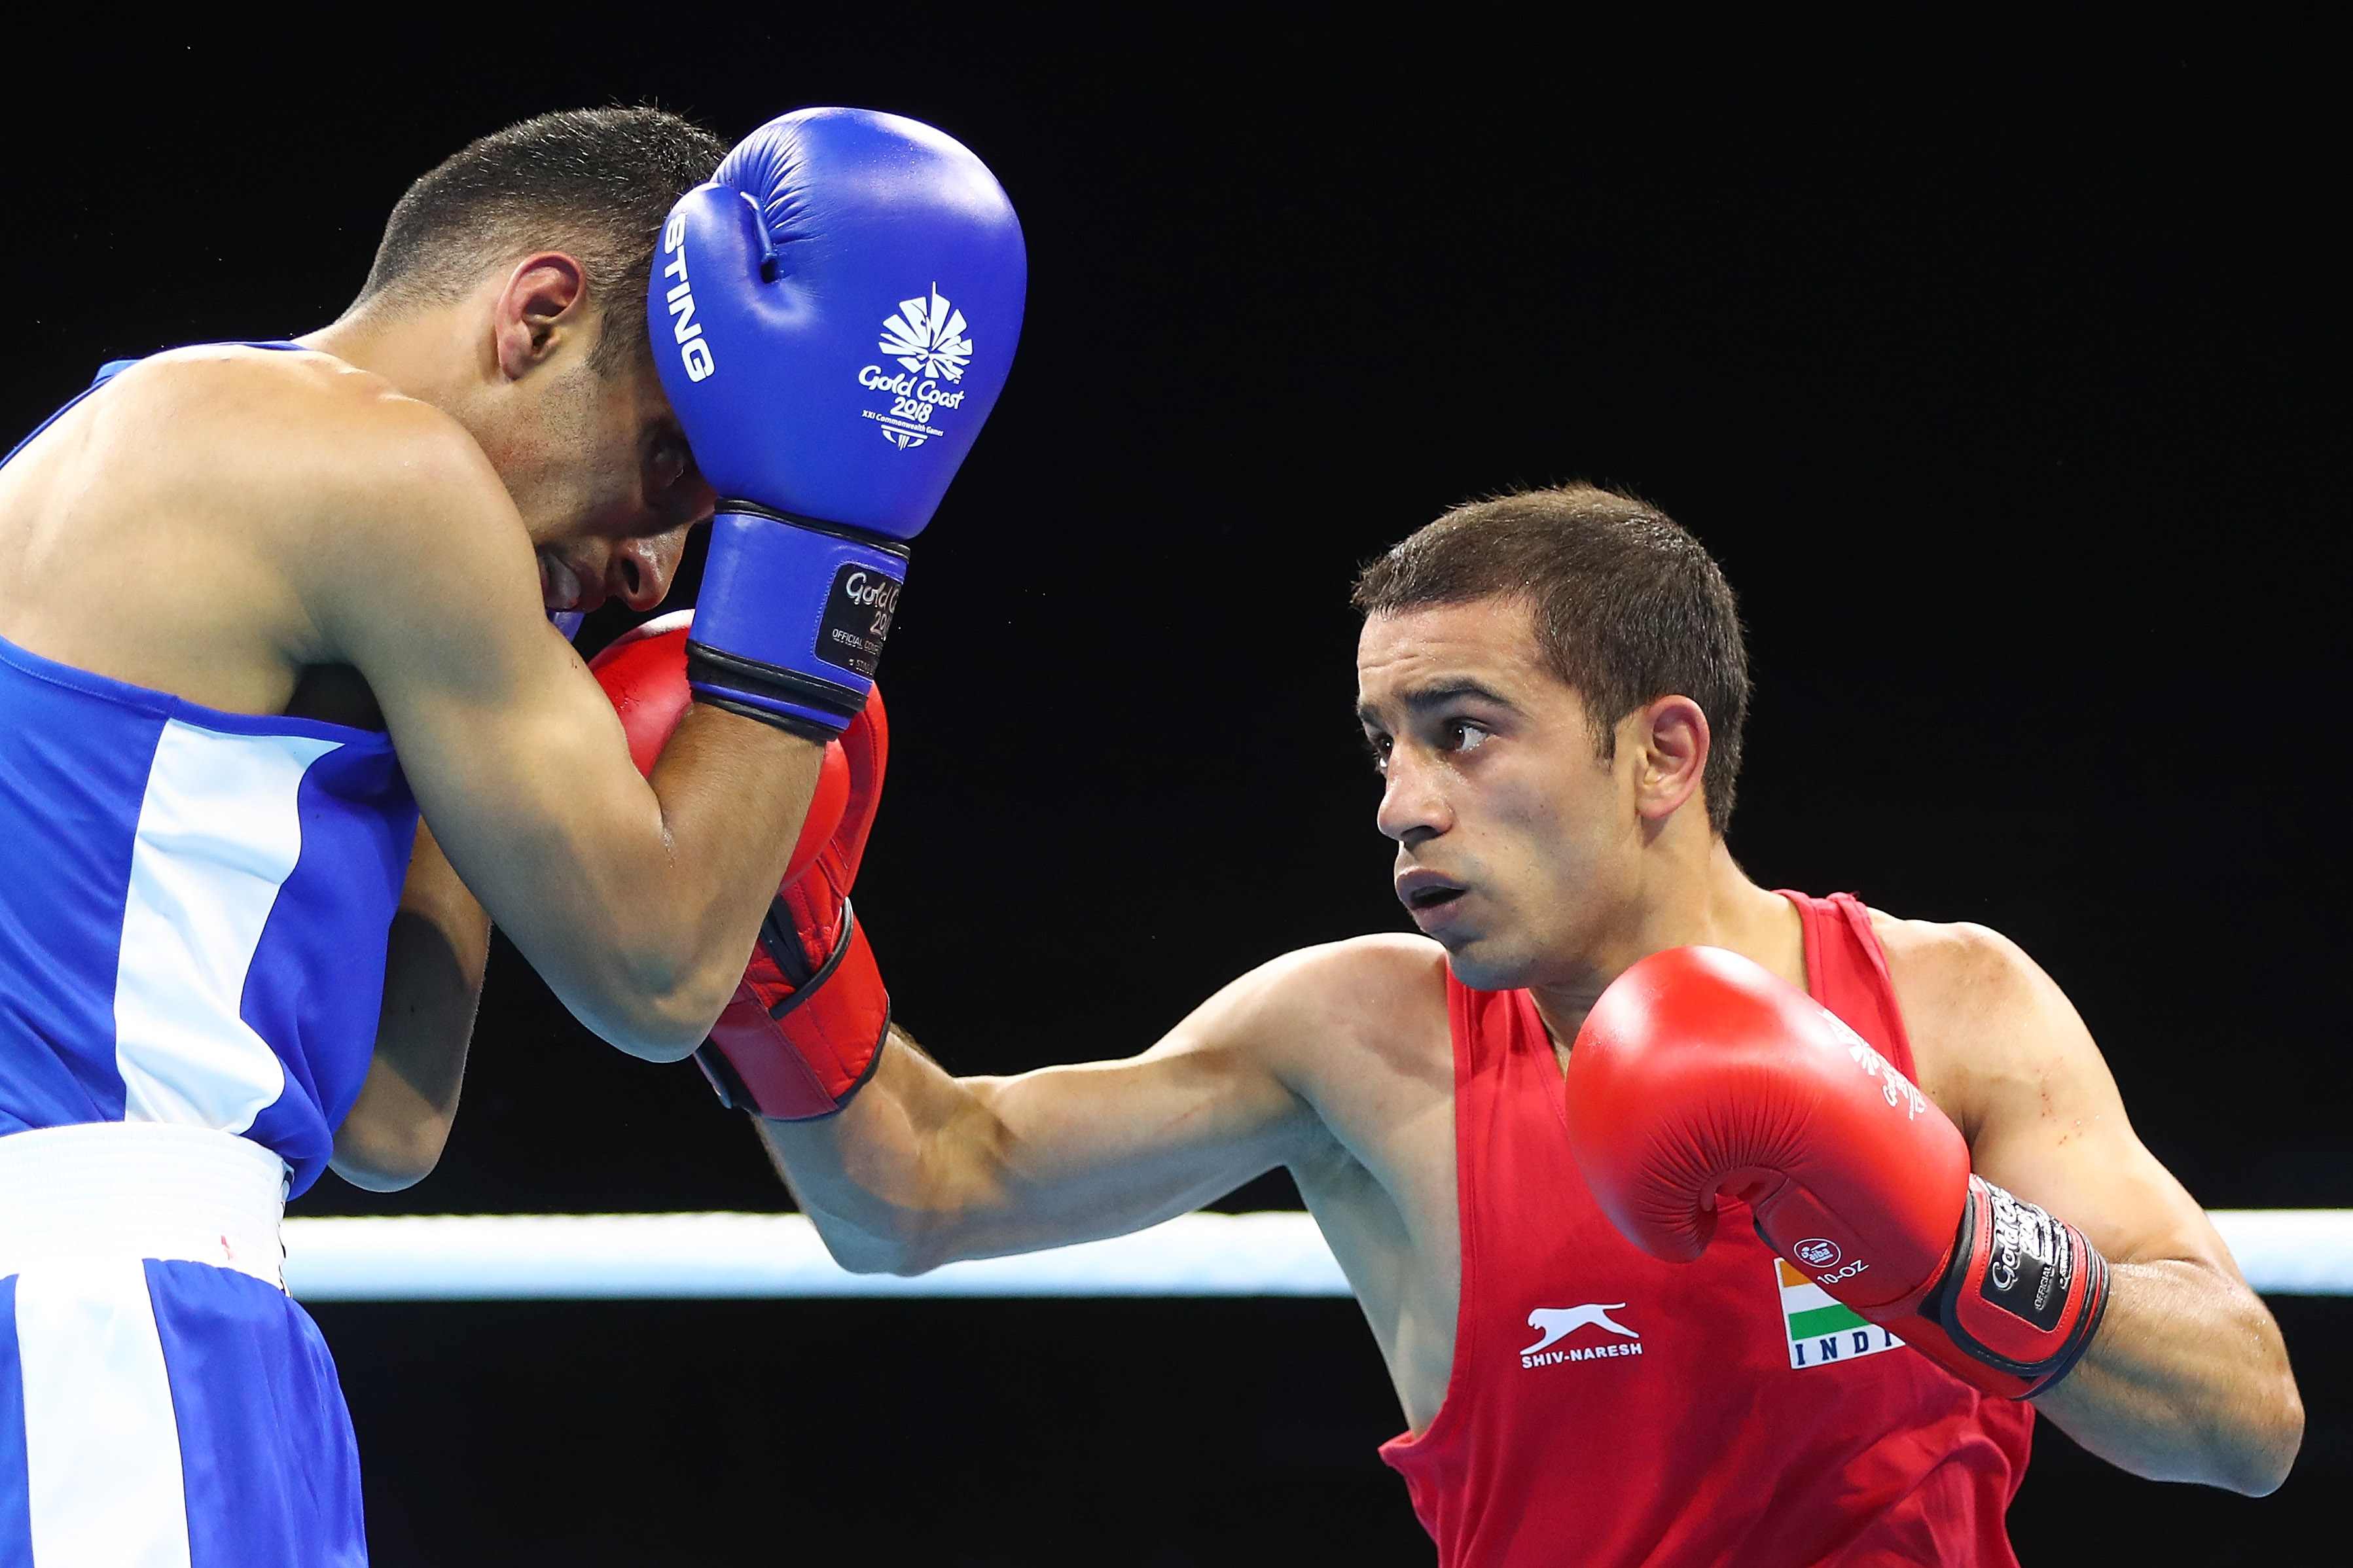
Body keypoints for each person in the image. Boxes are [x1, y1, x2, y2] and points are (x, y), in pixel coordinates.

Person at [661, 485, 2302, 1565]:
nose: (1398, 804)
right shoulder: (1360, 1034)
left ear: (1660, 752)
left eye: (1461, 733)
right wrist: (776, 957)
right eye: (1382, 741)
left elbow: (2244, 1423)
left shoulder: (1947, 1004)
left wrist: (1936, 1237)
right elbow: (917, 1193)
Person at [0, 103, 1024, 1565]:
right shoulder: (376, 467)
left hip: (169, 1295)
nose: (652, 568)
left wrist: (487, 690)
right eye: (673, 465)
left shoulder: (154, 438)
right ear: (538, 316)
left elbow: (387, 1123)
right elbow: (660, 980)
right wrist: (824, 565)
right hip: (92, 1324)